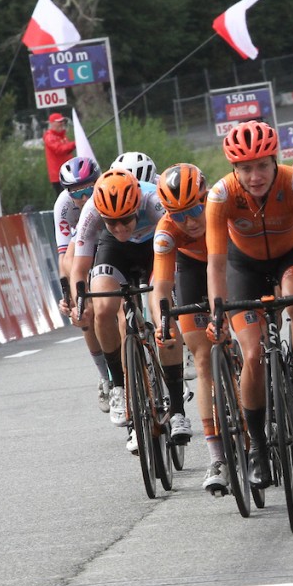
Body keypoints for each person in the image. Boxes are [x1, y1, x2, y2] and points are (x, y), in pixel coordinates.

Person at [205, 120, 293, 488]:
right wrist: (217, 309)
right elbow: (214, 262)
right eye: (245, 168)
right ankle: (258, 447)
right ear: (233, 169)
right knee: (253, 354)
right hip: (241, 265)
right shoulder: (221, 195)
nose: (255, 175)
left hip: (288, 256)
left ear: (275, 161)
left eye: (262, 165)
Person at [68, 169, 193, 454]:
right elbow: (79, 267)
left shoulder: (153, 200)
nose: (122, 228)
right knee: (102, 307)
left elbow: (182, 245)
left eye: (126, 219)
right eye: (112, 222)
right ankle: (119, 387)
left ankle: (176, 409)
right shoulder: (92, 212)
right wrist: (79, 303)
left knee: (163, 312)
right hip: (113, 252)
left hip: (156, 244)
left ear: (137, 206)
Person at [150, 163, 220, 492]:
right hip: (192, 265)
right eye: (178, 215)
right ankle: (217, 457)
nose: (189, 222)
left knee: (253, 335)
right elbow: (161, 288)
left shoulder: (222, 207)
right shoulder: (167, 230)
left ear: (205, 199)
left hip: (232, 256)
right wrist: (163, 322)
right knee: (203, 358)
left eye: (193, 210)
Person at [53, 156, 111, 413]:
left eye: (90, 188)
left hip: (113, 242)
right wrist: (69, 295)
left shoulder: (111, 188)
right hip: (84, 249)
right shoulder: (64, 207)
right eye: (78, 193)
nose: (86, 198)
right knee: (85, 314)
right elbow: (64, 257)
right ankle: (105, 377)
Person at [44, 113, 76, 196]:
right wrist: (74, 144)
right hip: (58, 176)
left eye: (62, 121)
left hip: (67, 172)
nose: (61, 123)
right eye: (58, 121)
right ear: (51, 124)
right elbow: (59, 149)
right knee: (65, 198)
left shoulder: (63, 136)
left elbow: (66, 150)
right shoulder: (50, 137)